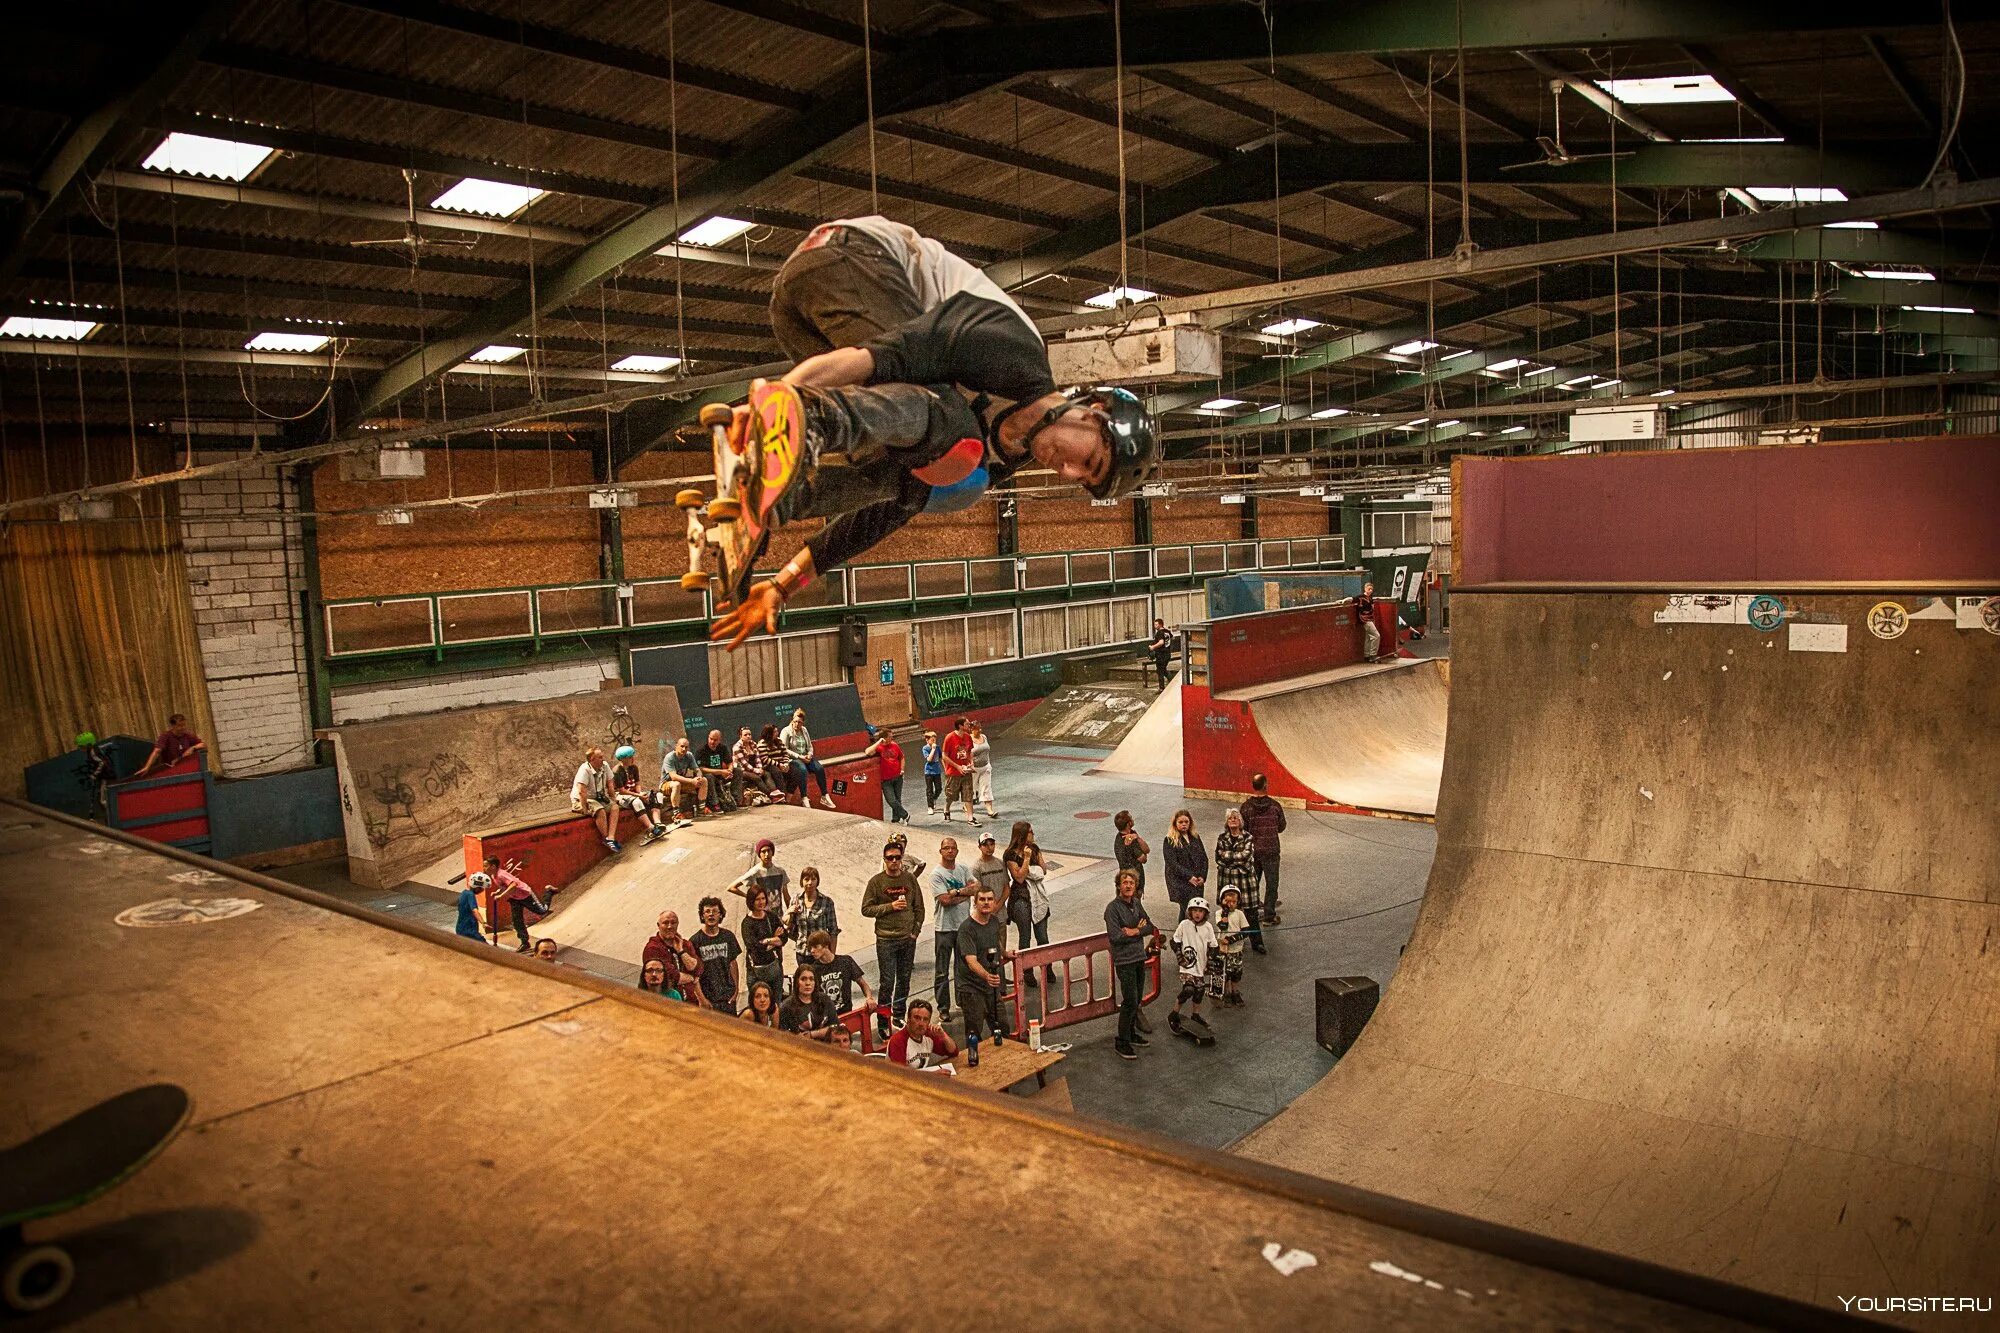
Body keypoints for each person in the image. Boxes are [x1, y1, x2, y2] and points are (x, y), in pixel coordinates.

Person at [708, 284, 1159, 648]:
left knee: (908, 481)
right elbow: (896, 352)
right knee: (952, 434)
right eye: (1087, 461)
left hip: (822, 344)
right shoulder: (1014, 357)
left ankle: (772, 506)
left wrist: (785, 584)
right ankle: (816, 422)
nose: (1069, 472)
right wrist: (785, 399)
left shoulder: (1000, 462)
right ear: (1091, 408)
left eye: (1083, 480)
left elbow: (882, 513)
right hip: (854, 289)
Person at [768, 214, 1038, 365]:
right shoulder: (1020, 353)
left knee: (864, 435)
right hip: (852, 258)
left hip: (790, 297)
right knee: (915, 391)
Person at [860, 837, 924, 1038]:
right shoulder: (876, 882)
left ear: (902, 858)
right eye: (890, 858)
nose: (894, 862)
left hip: (907, 938)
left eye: (897, 858)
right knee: (887, 982)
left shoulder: (910, 879)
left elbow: (919, 907)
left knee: (904, 980)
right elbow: (866, 909)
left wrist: (915, 931)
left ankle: (897, 1015)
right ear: (885, 859)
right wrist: (890, 907)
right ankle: (883, 1021)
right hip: (886, 939)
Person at [1104, 869, 1160, 1060]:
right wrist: (1137, 930)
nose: (1128, 886)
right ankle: (1122, 1041)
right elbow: (1116, 936)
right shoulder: (1112, 909)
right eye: (1125, 882)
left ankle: (1130, 1034)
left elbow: (1149, 926)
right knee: (1129, 1001)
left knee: (1136, 1000)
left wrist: (1134, 931)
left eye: (1131, 883)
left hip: (1138, 957)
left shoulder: (1136, 904)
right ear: (1119, 885)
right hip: (1124, 960)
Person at [955, 884, 1012, 1067]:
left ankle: (1003, 1064)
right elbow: (971, 962)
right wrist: (987, 976)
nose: (986, 903)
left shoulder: (994, 922)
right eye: (982, 899)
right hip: (971, 988)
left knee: (1002, 1026)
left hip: (990, 987)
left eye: (989, 899)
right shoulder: (967, 929)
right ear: (975, 901)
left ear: (994, 902)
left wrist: (1005, 954)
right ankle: (975, 1069)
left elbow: (995, 941)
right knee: (974, 1034)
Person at [1001, 821, 1054, 984]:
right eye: (1031, 832)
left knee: (1043, 936)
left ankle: (1047, 968)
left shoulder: (1035, 848)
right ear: (1023, 834)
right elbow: (1019, 877)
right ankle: (1027, 971)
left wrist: (1033, 859)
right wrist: (1027, 859)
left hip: (1037, 895)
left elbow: (1043, 869)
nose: (1033, 834)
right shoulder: (1010, 854)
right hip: (1021, 898)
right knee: (1025, 936)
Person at [927, 836, 973, 1019]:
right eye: (946, 848)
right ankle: (943, 1007)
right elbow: (945, 900)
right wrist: (965, 894)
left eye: (953, 848)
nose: (950, 851)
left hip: (963, 926)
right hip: (944, 928)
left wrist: (958, 892)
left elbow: (975, 887)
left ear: (957, 850)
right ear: (941, 851)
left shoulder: (963, 869)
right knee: (942, 970)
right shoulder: (936, 874)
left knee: (963, 967)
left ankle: (961, 1000)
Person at [1240, 773, 1288, 929]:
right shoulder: (1275, 806)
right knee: (1272, 883)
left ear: (1253, 786)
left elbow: (1242, 830)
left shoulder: (1246, 807)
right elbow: (1281, 827)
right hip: (1271, 850)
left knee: (1253, 884)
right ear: (1266, 785)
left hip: (1253, 851)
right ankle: (1269, 915)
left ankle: (1252, 914)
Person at [483, 854, 556, 954]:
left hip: (525, 895)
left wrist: (501, 896)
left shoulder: (501, 874)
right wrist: (497, 892)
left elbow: (513, 885)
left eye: (486, 866)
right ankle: (525, 942)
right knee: (517, 921)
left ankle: (549, 891)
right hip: (515, 899)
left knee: (542, 911)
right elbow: (505, 885)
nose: (484, 868)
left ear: (493, 866)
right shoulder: (493, 876)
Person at [1167, 897, 1218, 1040]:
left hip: (1200, 967)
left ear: (1205, 913)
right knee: (1188, 989)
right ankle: (1174, 1013)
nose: (1197, 914)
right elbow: (1174, 941)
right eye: (1195, 911)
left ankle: (1195, 1015)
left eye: (1200, 911)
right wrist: (1179, 956)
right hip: (1187, 967)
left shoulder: (1208, 927)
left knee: (1199, 991)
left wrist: (1211, 962)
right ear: (1190, 912)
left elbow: (1214, 946)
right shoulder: (1184, 924)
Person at [1213, 808, 1262, 954]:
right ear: (1226, 822)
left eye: (1235, 818)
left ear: (1240, 821)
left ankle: (1257, 943)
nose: (1233, 820)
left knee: (1251, 914)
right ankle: (1229, 941)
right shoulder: (1221, 838)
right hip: (1227, 880)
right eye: (1230, 818)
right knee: (1227, 912)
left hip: (1246, 881)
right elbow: (1218, 857)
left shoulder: (1248, 837)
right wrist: (1235, 858)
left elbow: (1246, 856)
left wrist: (1229, 858)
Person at [804, 930, 873, 1018]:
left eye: (816, 946)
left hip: (846, 1014)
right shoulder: (813, 970)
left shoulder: (846, 961)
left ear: (825, 946)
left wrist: (869, 998)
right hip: (825, 1018)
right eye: (810, 948)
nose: (812, 951)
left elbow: (862, 983)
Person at [690, 895, 742, 1012]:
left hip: (727, 998)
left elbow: (733, 963)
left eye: (714, 911)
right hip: (708, 999)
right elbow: (694, 974)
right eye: (707, 911)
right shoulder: (695, 941)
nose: (711, 914)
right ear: (702, 916)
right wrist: (701, 999)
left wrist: (736, 990)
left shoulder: (728, 937)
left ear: (721, 914)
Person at [610, 744, 670, 843]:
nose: (633, 759)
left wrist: (640, 793)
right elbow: (621, 790)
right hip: (622, 795)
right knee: (637, 801)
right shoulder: (616, 771)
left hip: (634, 793)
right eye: (630, 757)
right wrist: (639, 796)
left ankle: (657, 822)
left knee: (657, 795)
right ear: (623, 759)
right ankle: (651, 828)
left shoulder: (633, 768)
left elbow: (637, 783)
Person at [740, 883, 789, 1000]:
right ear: (751, 901)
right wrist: (774, 939)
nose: (761, 902)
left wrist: (767, 940)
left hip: (774, 968)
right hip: (756, 972)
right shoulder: (747, 923)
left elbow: (784, 938)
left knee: (776, 1003)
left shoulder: (771, 917)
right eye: (757, 899)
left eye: (763, 898)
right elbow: (756, 948)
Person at [571, 746, 623, 853]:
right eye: (599, 757)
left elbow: (610, 783)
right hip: (582, 799)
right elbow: (582, 791)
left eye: (602, 756)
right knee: (600, 810)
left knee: (614, 807)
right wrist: (584, 808)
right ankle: (605, 838)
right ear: (592, 759)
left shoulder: (604, 765)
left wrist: (613, 798)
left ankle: (610, 838)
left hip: (598, 797)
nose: (603, 759)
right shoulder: (584, 770)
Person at [781, 708, 835, 808]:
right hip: (793, 759)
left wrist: (810, 754)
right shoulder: (786, 731)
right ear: (792, 720)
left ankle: (824, 795)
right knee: (802, 770)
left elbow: (809, 746)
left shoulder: (804, 730)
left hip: (805, 757)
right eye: (795, 721)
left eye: (799, 722)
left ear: (803, 723)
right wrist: (799, 756)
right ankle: (804, 798)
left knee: (819, 768)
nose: (797, 724)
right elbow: (784, 750)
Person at [642, 910, 700, 1003]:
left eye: (673, 923)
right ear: (658, 925)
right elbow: (671, 977)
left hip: (691, 1002)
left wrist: (681, 951)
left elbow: (698, 969)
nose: (669, 926)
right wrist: (693, 978)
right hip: (667, 1003)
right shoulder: (652, 949)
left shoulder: (685, 944)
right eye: (665, 923)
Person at [885, 998, 959, 1070]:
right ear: (908, 1019)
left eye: (925, 1019)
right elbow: (901, 1076)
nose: (921, 1023)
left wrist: (943, 1035)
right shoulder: (897, 1041)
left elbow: (953, 1052)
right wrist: (932, 1076)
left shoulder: (928, 1034)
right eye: (917, 1018)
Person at [1161, 810, 1208, 919]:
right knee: (1187, 910)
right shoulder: (1170, 840)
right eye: (1180, 822)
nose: (1184, 824)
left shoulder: (1195, 837)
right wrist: (1188, 876)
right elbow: (1172, 863)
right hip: (1180, 882)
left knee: (1193, 910)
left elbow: (1204, 858)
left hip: (1196, 881)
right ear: (1175, 823)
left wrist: (1202, 876)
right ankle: (1184, 934)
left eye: (1186, 822)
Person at [778, 964, 842, 1044]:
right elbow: (782, 1036)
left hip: (826, 1047)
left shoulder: (825, 999)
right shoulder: (786, 1006)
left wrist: (812, 1034)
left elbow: (836, 1028)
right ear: (797, 982)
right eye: (803, 979)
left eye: (811, 979)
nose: (808, 983)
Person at [729, 837, 791, 916]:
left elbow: (786, 896)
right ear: (759, 854)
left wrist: (790, 915)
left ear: (773, 852)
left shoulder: (780, 871)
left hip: (777, 916)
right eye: (763, 851)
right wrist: (749, 897)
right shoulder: (755, 872)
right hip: (761, 917)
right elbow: (731, 887)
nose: (766, 854)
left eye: (769, 850)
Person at [861, 724, 909, 824]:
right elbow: (868, 752)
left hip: (897, 776)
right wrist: (879, 742)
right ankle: (905, 815)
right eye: (890, 737)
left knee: (897, 799)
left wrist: (902, 769)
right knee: (891, 800)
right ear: (884, 737)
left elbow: (901, 757)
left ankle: (896, 819)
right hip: (886, 779)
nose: (892, 738)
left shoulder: (895, 745)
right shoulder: (879, 747)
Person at [133, 713, 205, 778]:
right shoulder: (165, 736)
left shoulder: (188, 735)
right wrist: (147, 767)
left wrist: (193, 748)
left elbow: (203, 745)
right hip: (170, 770)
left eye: (184, 725)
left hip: (186, 768)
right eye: (180, 726)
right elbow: (157, 751)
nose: (183, 728)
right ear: (172, 726)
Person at [1214, 886, 1250, 1008]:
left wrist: (1232, 939)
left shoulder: (1240, 914)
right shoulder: (1219, 913)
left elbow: (1246, 931)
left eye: (1233, 902)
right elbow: (1223, 926)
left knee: (1236, 972)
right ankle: (1227, 992)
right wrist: (1225, 912)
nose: (1231, 905)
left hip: (1236, 949)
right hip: (1224, 950)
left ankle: (1235, 992)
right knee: (1226, 972)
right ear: (1222, 901)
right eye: (1227, 901)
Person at [785, 865, 837, 949]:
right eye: (806, 879)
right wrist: (790, 912)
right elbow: (789, 925)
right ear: (802, 881)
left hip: (821, 952)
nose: (810, 883)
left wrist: (832, 955)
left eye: (813, 879)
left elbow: (833, 931)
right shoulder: (796, 900)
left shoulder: (827, 902)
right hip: (802, 952)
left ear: (817, 881)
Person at [939, 716, 977, 824]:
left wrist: (971, 762)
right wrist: (957, 766)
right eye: (967, 724)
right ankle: (946, 809)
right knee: (951, 794)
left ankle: (970, 817)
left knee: (968, 793)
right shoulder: (949, 737)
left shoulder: (968, 737)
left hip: (966, 771)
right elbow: (944, 756)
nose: (969, 726)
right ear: (960, 726)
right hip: (954, 772)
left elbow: (969, 752)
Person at [661, 736, 708, 820]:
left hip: (682, 783)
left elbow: (697, 769)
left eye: (686, 747)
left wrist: (699, 777)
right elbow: (673, 777)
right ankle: (676, 814)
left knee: (704, 780)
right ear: (676, 746)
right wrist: (691, 781)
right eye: (682, 746)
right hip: (666, 784)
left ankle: (701, 809)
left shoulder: (689, 755)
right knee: (676, 784)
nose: (684, 749)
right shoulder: (670, 757)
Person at [696, 729, 743, 813]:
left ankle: (736, 799)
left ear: (719, 740)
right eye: (711, 739)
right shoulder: (701, 750)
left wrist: (729, 771)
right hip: (710, 775)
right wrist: (721, 771)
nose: (712, 742)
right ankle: (715, 803)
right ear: (708, 738)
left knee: (738, 771)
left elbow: (729, 762)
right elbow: (701, 768)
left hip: (722, 774)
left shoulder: (723, 748)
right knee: (709, 777)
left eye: (715, 740)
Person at [732, 725, 781, 806]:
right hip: (742, 771)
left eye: (749, 734)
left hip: (754, 768)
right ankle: (771, 796)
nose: (748, 736)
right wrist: (756, 771)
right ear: (741, 736)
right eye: (745, 735)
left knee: (767, 774)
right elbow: (745, 764)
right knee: (757, 778)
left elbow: (758, 759)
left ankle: (775, 792)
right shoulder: (737, 747)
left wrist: (760, 769)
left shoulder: (753, 744)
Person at [758, 723, 805, 803]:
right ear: (769, 733)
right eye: (775, 732)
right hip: (770, 766)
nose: (777, 733)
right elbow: (765, 759)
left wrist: (786, 764)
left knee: (797, 771)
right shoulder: (762, 743)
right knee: (777, 772)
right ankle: (781, 795)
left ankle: (789, 797)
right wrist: (779, 765)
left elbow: (785, 753)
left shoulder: (779, 741)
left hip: (782, 764)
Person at [1112, 810, 1149, 895]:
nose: (1133, 819)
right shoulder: (1128, 841)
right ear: (1128, 823)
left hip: (1130, 877)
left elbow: (1147, 850)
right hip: (1132, 879)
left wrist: (1137, 838)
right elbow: (1143, 859)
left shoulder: (1131, 835)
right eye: (1131, 818)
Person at [967, 720, 995, 818]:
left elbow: (987, 751)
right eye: (977, 729)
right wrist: (970, 765)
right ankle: (966, 805)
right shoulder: (968, 739)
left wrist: (988, 763)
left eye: (980, 728)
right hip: (974, 769)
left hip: (985, 767)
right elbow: (966, 754)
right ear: (971, 729)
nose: (979, 730)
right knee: (972, 789)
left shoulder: (984, 737)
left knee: (987, 787)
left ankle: (990, 810)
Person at [456, 872, 491, 944]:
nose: (482, 890)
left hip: (461, 928)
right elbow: (474, 911)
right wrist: (483, 923)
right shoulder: (470, 895)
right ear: (477, 887)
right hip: (469, 930)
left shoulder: (464, 893)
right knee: (485, 947)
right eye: (482, 888)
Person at [1146, 618, 1176, 689]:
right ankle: (1172, 682)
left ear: (1160, 624)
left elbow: (1161, 642)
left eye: (1156, 624)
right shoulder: (1167, 631)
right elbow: (1173, 638)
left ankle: (1161, 687)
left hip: (1161, 654)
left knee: (1160, 671)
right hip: (1167, 654)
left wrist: (1153, 647)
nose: (1155, 626)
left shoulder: (1159, 632)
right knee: (1163, 669)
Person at [920, 730, 943, 812]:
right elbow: (929, 759)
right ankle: (930, 806)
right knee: (929, 789)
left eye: (935, 740)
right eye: (932, 740)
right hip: (929, 772)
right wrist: (933, 750)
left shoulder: (937, 747)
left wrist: (945, 767)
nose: (934, 742)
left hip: (937, 771)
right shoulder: (925, 748)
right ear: (927, 740)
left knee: (939, 788)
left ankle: (933, 799)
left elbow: (941, 757)